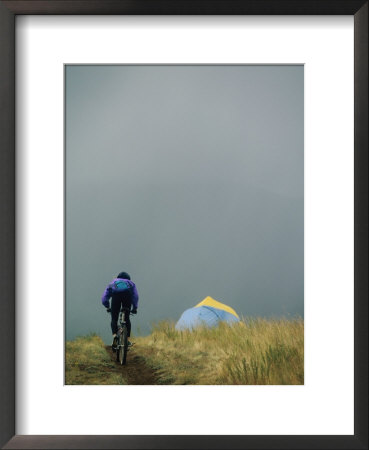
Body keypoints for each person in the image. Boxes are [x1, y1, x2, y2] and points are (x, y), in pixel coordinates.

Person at [101, 271, 139, 349]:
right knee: (127, 318)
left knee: (114, 318)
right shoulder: (131, 283)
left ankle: (115, 336)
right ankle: (127, 340)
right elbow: (135, 296)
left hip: (116, 298)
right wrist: (135, 308)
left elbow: (105, 296)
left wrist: (107, 306)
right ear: (128, 278)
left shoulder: (113, 282)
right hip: (127, 298)